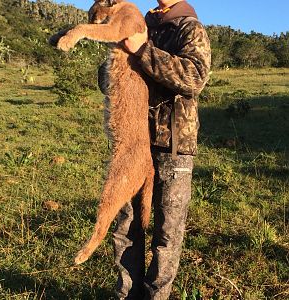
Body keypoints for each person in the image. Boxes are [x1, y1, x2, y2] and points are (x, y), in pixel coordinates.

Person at [100, 0, 211, 299]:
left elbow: (194, 79)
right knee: (126, 227)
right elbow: (109, 79)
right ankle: (127, 294)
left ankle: (157, 296)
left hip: (173, 147)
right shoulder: (141, 23)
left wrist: (142, 50)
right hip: (134, 142)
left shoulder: (190, 27)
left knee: (167, 233)